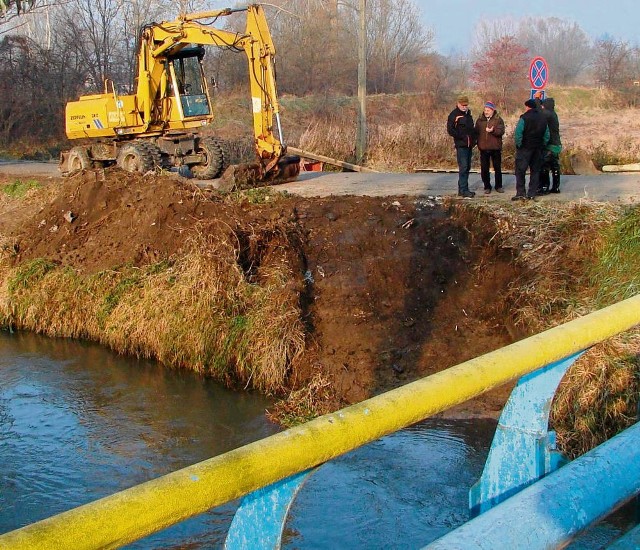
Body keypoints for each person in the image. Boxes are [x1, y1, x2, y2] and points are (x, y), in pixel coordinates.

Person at [512, 98, 550, 201]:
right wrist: (543, 144)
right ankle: (532, 193)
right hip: (538, 148)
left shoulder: (524, 118)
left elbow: (518, 133)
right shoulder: (543, 118)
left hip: (525, 148)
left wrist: (519, 145)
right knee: (535, 171)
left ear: (528, 107)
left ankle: (520, 193)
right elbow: (547, 135)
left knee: (520, 171)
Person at [447, 94, 477, 198]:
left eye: (466, 105)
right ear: (458, 104)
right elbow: (450, 130)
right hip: (461, 145)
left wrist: (474, 140)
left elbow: (472, 129)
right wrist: (461, 137)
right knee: (463, 167)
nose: (465, 107)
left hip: (469, 145)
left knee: (467, 167)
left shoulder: (468, 114)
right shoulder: (454, 115)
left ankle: (464, 189)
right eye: (463, 105)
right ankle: (463, 190)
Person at [474, 101, 505, 194]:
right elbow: (476, 133)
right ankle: (487, 186)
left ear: (492, 110)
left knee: (497, 168)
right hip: (483, 148)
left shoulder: (498, 119)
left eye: (488, 110)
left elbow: (501, 131)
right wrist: (476, 143)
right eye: (485, 110)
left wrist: (493, 130)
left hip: (495, 148)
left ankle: (498, 186)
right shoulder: (480, 120)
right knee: (484, 169)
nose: (486, 112)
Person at [539, 97, 562, 193]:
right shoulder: (553, 114)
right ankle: (556, 187)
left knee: (545, 166)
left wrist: (536, 100)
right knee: (555, 166)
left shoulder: (547, 113)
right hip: (556, 144)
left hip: (550, 145)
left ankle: (545, 187)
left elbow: (539, 112)